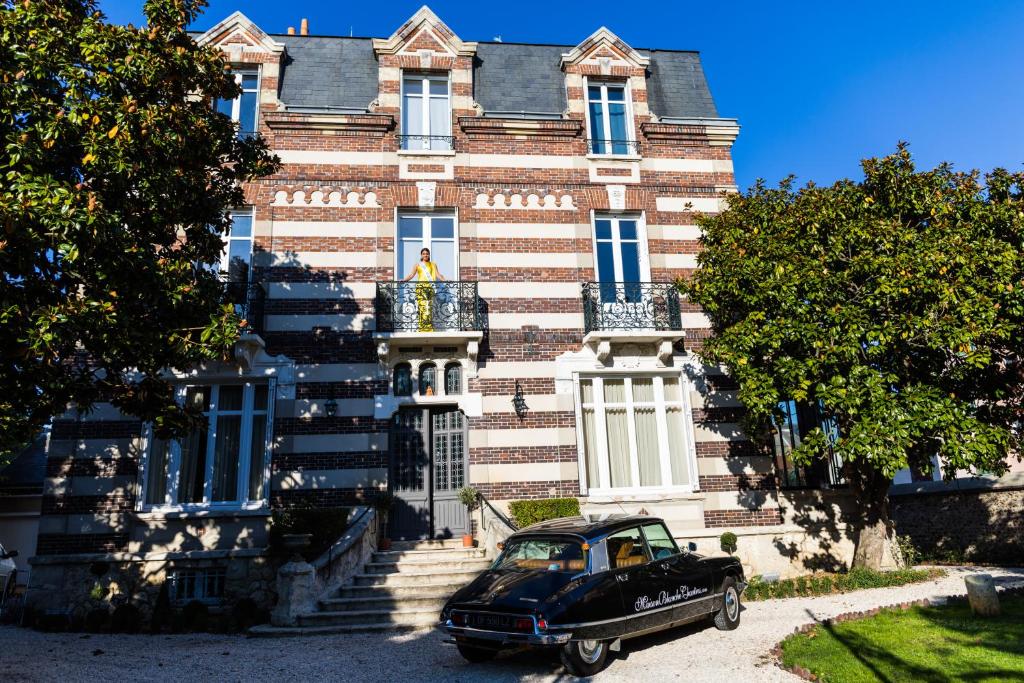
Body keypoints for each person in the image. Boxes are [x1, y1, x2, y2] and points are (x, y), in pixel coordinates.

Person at [401, 248, 447, 331]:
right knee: (422, 307)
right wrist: (404, 280)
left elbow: (438, 275)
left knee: (428, 307)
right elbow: (411, 275)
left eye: (427, 253)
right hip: (421, 288)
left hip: (430, 288)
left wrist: (445, 280)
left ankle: (428, 327)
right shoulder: (417, 265)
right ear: (421, 255)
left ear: (429, 255)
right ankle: (422, 327)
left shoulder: (433, 264)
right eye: (424, 253)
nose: (425, 255)